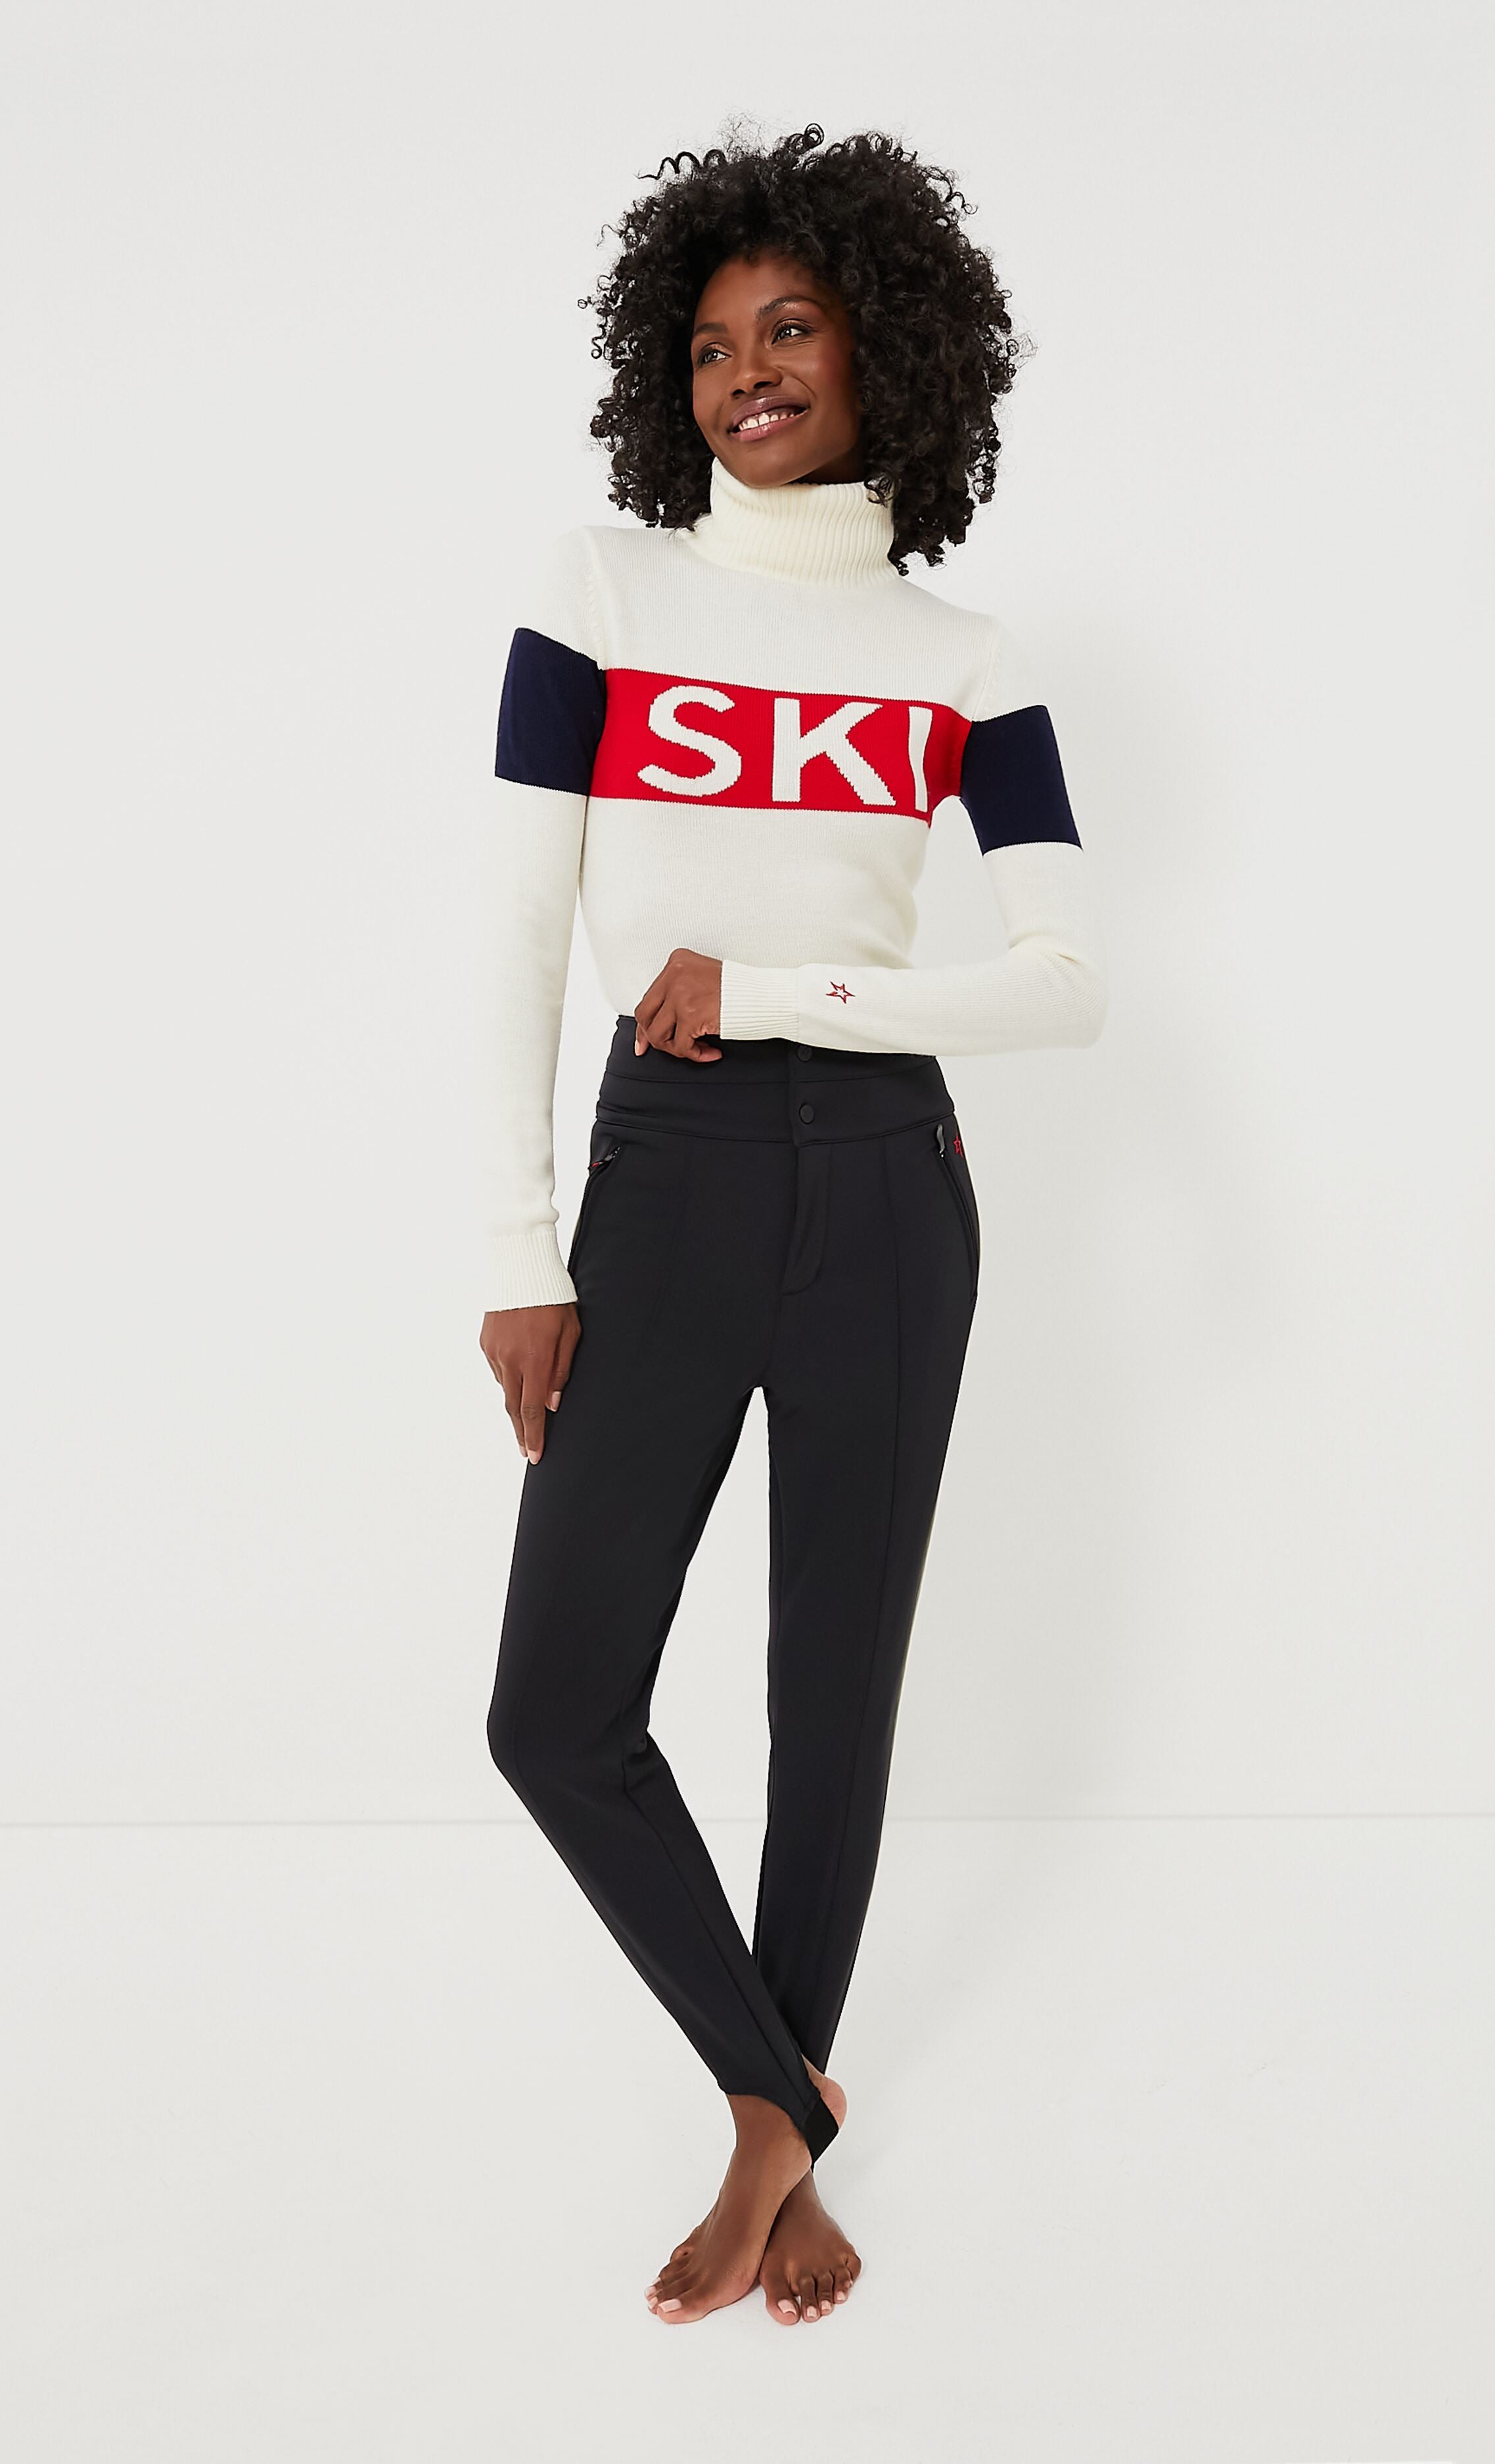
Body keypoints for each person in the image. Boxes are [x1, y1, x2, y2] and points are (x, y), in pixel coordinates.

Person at [478, 120, 1108, 2328]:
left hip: (887, 1188)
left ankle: (767, 2136)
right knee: (554, 1716)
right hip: (660, 1184)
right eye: (709, 343)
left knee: (829, 1697)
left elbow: (1062, 985)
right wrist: (519, 1250)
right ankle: (785, 2105)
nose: (745, 370)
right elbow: (511, 935)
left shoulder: (966, 657)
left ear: (882, 350)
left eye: (792, 326)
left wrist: (770, 990)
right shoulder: (602, 589)